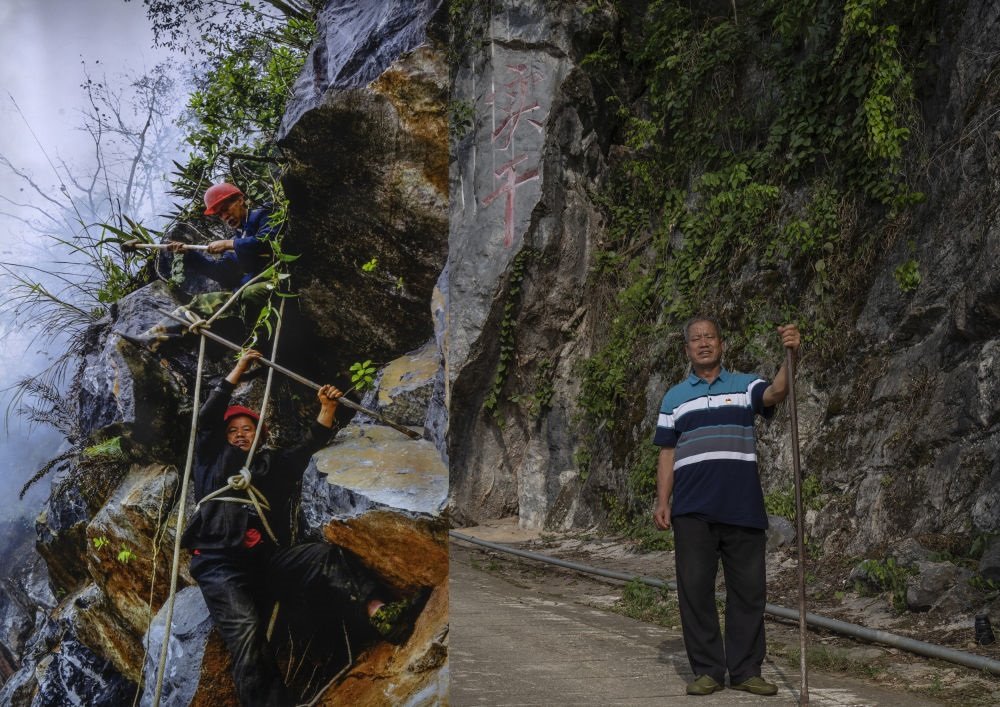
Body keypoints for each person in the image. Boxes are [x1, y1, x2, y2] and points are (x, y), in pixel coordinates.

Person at [182, 349, 424, 707]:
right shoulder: (209, 458)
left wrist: (327, 409)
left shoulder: (270, 465)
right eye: (232, 430)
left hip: (265, 563)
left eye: (247, 429)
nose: (240, 435)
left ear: (260, 435)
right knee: (247, 632)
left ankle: (381, 614)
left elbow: (306, 448)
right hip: (219, 563)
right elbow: (205, 419)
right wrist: (238, 369)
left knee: (324, 557)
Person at [652, 316, 800, 697]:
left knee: (748, 592)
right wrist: (663, 501)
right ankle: (708, 671)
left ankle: (747, 670)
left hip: (742, 507)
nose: (703, 343)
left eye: (710, 337)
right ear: (687, 349)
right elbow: (667, 453)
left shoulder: (744, 385)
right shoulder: (674, 398)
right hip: (692, 510)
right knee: (695, 591)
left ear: (721, 344)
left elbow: (776, 393)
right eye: (696, 339)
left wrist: (791, 356)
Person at [122, 183, 275, 350]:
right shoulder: (237, 238)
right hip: (243, 292)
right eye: (220, 214)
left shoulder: (264, 214)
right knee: (197, 305)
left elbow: (267, 241)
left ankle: (255, 347)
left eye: (225, 209)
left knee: (250, 293)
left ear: (240, 199)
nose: (224, 216)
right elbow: (223, 274)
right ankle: (150, 340)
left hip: (274, 283)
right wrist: (189, 255)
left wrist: (229, 244)